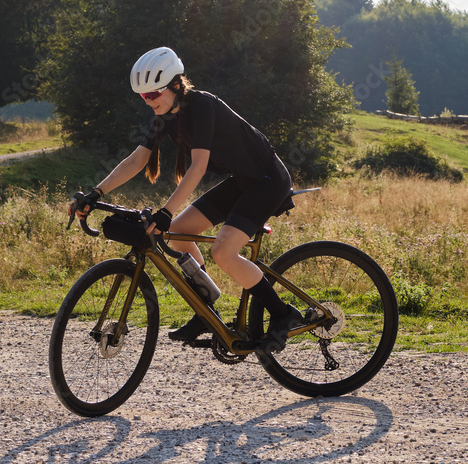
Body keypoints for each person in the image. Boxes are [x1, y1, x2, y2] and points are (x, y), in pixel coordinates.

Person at [70, 46, 301, 353]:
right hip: (242, 181)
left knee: (223, 250)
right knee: (178, 235)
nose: (149, 101)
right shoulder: (163, 117)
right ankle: (205, 310)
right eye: (144, 97)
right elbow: (137, 160)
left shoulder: (202, 105)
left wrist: (166, 210)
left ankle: (284, 314)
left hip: (268, 180)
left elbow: (199, 166)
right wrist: (96, 192)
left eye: (154, 94)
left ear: (176, 85)